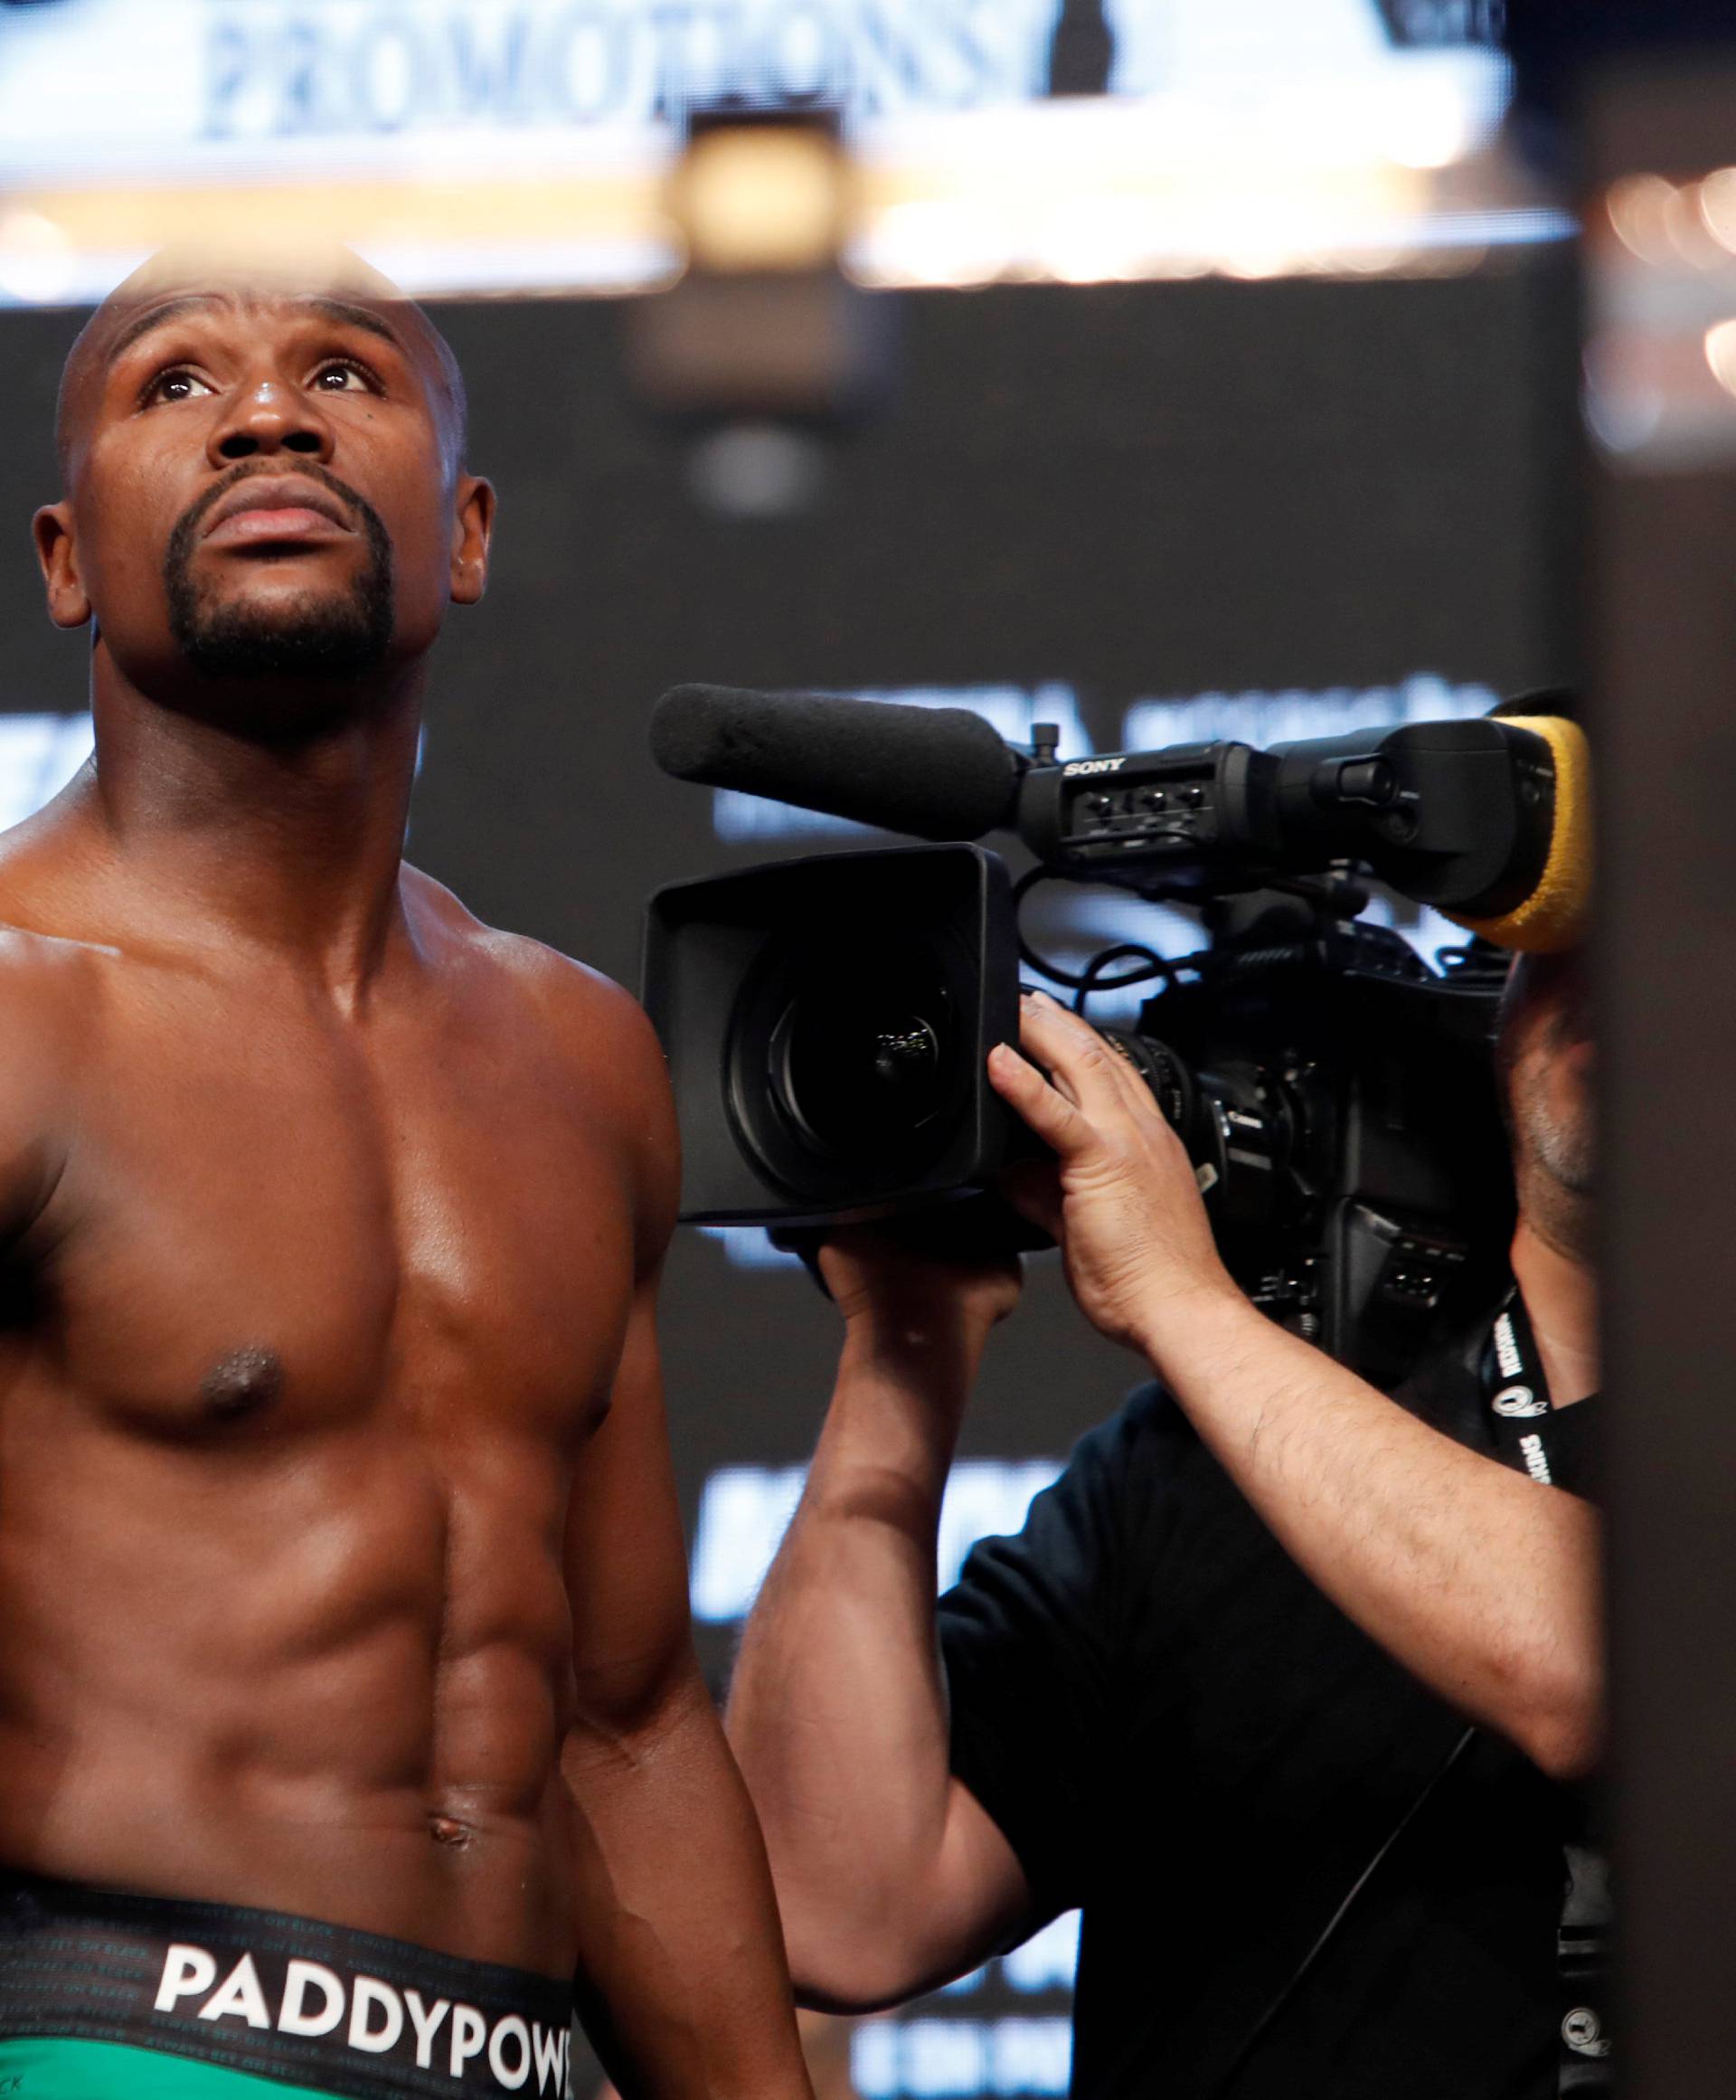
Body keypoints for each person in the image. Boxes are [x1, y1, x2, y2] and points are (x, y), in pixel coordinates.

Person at [0, 246, 813, 2100]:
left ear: (462, 532)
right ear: (65, 560)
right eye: (175, 386)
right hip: (125, 2051)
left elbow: (624, 1721)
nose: (268, 413)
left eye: (345, 374)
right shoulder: (16, 1015)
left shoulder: (576, 1055)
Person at [727, 929, 1601, 2097]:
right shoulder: (1211, 1460)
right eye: (1559, 938)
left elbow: (1599, 1655)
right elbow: (829, 1902)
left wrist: (1176, 1299)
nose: (1605, 978)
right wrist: (904, 1339)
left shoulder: (1221, 1362)